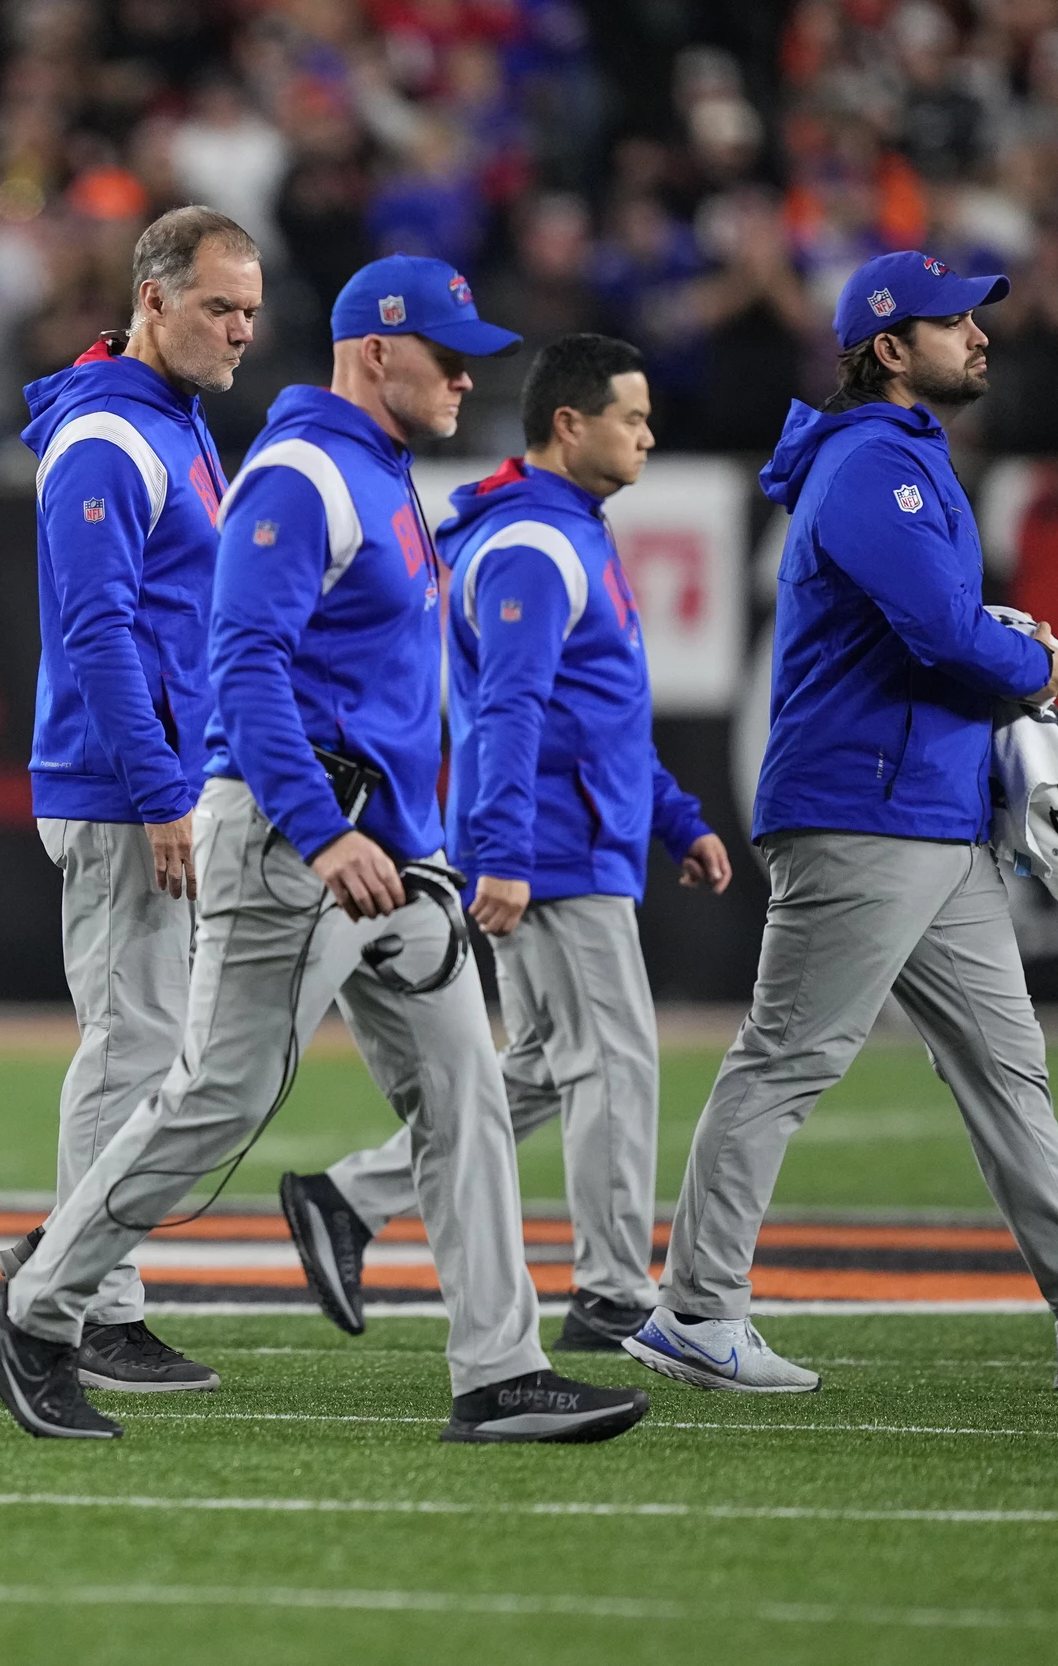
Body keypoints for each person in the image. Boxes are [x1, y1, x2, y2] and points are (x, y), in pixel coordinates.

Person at [0, 256, 651, 1446]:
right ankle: (33, 1312)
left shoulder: (370, 469)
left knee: (465, 1094)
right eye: (447, 353)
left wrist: (398, 839)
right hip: (295, 841)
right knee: (212, 1098)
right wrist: (326, 833)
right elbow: (244, 667)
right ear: (376, 350)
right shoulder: (301, 471)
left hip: (384, 853)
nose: (465, 377)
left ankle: (498, 1371)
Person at [629, 251, 1058, 1396]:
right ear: (889, 348)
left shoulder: (900, 458)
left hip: (924, 811)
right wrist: (1036, 663)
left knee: (1006, 1065)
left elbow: (937, 625)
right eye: (953, 322)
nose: (979, 336)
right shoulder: (872, 461)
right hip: (864, 809)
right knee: (784, 1060)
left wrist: (1002, 661)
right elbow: (942, 633)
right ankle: (696, 1310)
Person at [281, 334, 731, 1353]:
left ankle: (349, 1197)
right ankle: (614, 1291)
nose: (648, 435)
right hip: (555, 848)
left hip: (570, 836)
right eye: (632, 417)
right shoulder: (534, 542)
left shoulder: (560, 528)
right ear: (569, 425)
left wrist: (674, 817)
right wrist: (508, 852)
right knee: (613, 1064)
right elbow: (506, 716)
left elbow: (596, 717)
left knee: (539, 1064)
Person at [0, 206, 260, 1394]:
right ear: (152, 298)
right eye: (218, 306)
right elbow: (95, 629)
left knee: (162, 1047)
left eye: (251, 310)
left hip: (154, 772)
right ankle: (86, 1302)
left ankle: (67, 1258)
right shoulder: (110, 434)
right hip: (122, 785)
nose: (239, 331)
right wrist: (161, 791)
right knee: (134, 1043)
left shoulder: (168, 418)